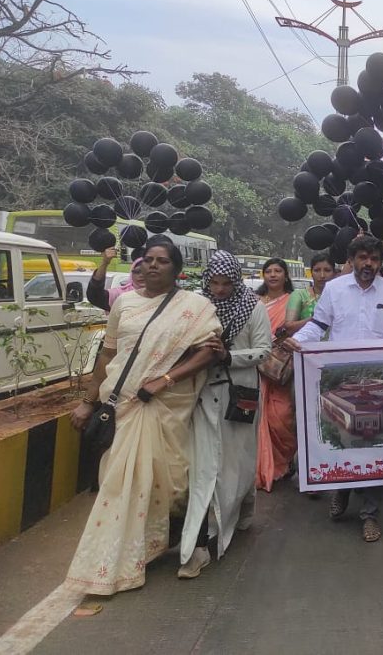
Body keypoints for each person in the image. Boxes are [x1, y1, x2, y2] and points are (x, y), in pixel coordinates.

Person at [65, 238, 220, 597]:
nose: (152, 266)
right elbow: (107, 356)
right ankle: (114, 560)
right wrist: (88, 401)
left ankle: (179, 542)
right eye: (147, 260)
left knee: (172, 482)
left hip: (167, 406)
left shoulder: (194, 307)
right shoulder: (125, 304)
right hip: (124, 406)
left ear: (176, 268)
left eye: (161, 261)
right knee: (121, 483)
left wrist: (165, 380)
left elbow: (209, 352)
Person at [284, 235, 383, 543]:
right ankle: (341, 490)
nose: (368, 263)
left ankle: (369, 514)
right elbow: (317, 326)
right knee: (344, 439)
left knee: (373, 443)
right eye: (362, 257)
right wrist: (299, 342)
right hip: (340, 379)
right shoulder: (334, 289)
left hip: (378, 381)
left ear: (380, 261)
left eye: (373, 258)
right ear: (352, 260)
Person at [178, 251, 272, 579]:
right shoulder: (196, 307)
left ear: (236, 281)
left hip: (239, 393)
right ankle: (197, 546)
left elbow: (264, 350)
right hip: (202, 394)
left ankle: (245, 505)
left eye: (226, 283)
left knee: (239, 459)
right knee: (205, 468)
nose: (219, 289)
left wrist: (228, 355)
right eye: (214, 282)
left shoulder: (253, 307)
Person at [254, 258, 297, 492]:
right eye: (268, 271)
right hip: (257, 366)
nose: (272, 275)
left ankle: (285, 460)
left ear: (286, 275)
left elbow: (298, 328)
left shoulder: (293, 300)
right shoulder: (255, 300)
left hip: (282, 367)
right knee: (260, 417)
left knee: (282, 417)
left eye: (277, 271)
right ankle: (266, 466)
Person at [284, 253, 335, 334]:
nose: (322, 275)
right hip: (306, 345)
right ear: (311, 273)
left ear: (334, 273)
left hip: (336, 345)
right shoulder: (299, 295)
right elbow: (289, 327)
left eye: (327, 270)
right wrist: (315, 318)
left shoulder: (340, 296)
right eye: (317, 270)